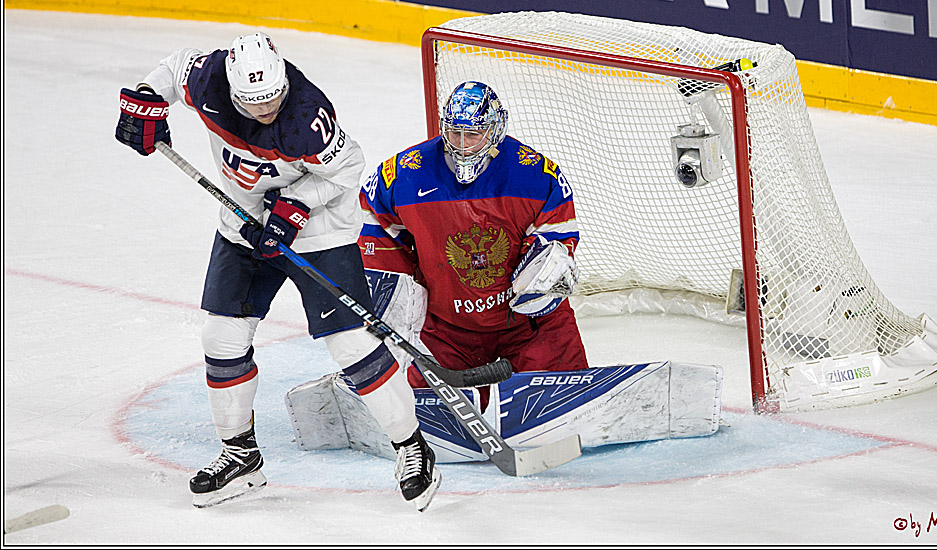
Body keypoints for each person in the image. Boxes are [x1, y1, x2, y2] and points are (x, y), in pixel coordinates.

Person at [114, 32, 440, 511]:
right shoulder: (208, 80)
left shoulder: (308, 116)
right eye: (255, 104)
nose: (267, 111)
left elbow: (348, 168)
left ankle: (412, 447)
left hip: (318, 231)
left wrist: (295, 207)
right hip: (242, 224)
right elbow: (171, 67)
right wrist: (146, 99)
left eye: (273, 100)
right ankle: (241, 456)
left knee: (350, 344)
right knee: (222, 339)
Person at [358, 81, 588, 407]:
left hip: (528, 325)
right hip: (445, 328)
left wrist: (542, 269)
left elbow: (557, 242)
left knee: (565, 408)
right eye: (454, 134)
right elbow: (374, 227)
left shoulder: (536, 174)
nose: (463, 145)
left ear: (495, 131)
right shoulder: (401, 175)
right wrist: (390, 296)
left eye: (473, 134)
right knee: (419, 418)